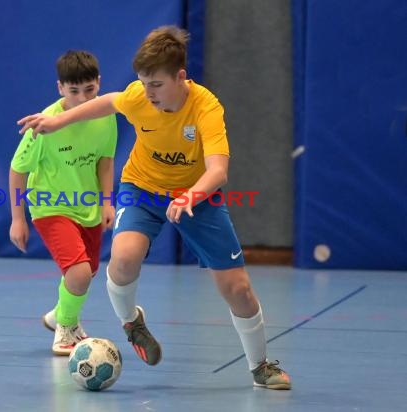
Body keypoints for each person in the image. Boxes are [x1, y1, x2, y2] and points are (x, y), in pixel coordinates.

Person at [17, 26, 291, 389]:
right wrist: (56, 121)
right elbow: (109, 101)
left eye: (157, 85)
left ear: (181, 77)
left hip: (196, 196)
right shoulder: (139, 97)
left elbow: (218, 170)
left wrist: (190, 195)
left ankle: (261, 366)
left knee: (237, 288)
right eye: (144, 84)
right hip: (142, 187)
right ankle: (132, 322)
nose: (148, 94)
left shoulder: (206, 108)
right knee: (123, 259)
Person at [9, 50, 117, 356]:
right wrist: (18, 219)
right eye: (73, 91)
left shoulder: (106, 116)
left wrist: (107, 203)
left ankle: (58, 314)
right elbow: (18, 170)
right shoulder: (44, 125)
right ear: (60, 89)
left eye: (89, 90)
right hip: (50, 206)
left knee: (89, 270)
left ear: (99, 83)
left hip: (88, 208)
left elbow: (105, 162)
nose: (83, 98)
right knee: (79, 273)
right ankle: (65, 330)